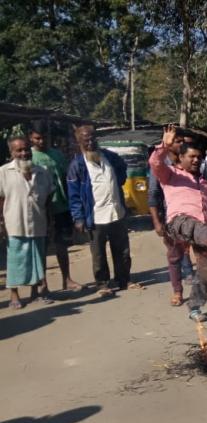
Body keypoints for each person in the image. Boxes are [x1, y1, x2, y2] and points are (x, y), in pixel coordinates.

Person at [150, 125, 207, 322]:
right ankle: (178, 290)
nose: (196, 160)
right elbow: (155, 163)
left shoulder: (205, 184)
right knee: (198, 239)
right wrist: (165, 145)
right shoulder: (170, 174)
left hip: (202, 231)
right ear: (180, 158)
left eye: (199, 157)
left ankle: (195, 307)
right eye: (192, 157)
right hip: (180, 223)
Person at [67, 125, 134, 297]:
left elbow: (122, 170)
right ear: (78, 141)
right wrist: (78, 218)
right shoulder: (78, 165)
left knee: (122, 250)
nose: (90, 142)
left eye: (93, 138)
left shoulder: (109, 157)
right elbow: (74, 195)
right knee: (98, 253)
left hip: (116, 212)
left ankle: (123, 279)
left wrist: (118, 183)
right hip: (95, 217)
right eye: (86, 139)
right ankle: (102, 283)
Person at [0, 137, 54, 309]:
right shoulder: (3, 172)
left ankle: (36, 293)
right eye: (19, 150)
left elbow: (48, 198)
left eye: (26, 150)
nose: (23, 153)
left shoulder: (42, 171)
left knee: (37, 259)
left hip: (38, 222)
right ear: (12, 153)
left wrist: (50, 220)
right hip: (14, 223)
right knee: (15, 260)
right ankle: (14, 295)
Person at [29, 129, 83, 292]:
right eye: (37, 138)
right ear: (31, 138)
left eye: (44, 137)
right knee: (42, 247)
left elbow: (68, 177)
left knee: (62, 245)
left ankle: (66, 279)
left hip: (61, 207)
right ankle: (43, 283)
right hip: (41, 209)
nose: (41, 141)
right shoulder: (29, 157)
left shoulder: (57, 154)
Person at [147, 129, 194, 306]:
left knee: (200, 254)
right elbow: (152, 194)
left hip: (192, 218)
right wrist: (157, 222)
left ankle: (202, 288)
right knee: (175, 256)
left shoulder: (190, 161)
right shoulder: (160, 165)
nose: (181, 144)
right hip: (170, 218)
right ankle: (177, 292)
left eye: (183, 141)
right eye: (177, 141)